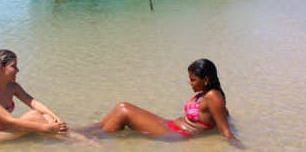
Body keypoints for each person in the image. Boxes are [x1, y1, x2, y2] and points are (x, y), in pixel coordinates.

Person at [75, 59, 246, 149]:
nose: (190, 83)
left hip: (178, 134)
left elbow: (226, 132)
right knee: (122, 105)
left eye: (193, 80)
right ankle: (88, 129)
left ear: (206, 79)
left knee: (125, 113)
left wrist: (242, 147)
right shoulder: (206, 94)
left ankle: (90, 137)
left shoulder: (213, 96)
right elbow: (223, 114)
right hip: (170, 124)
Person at [0, 49, 69, 140]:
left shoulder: (13, 87)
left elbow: (34, 103)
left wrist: (57, 118)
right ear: (1, 68)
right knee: (35, 115)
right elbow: (10, 121)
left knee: (47, 116)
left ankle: (67, 137)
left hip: (10, 129)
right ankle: (71, 139)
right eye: (13, 66)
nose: (18, 70)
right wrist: (46, 128)